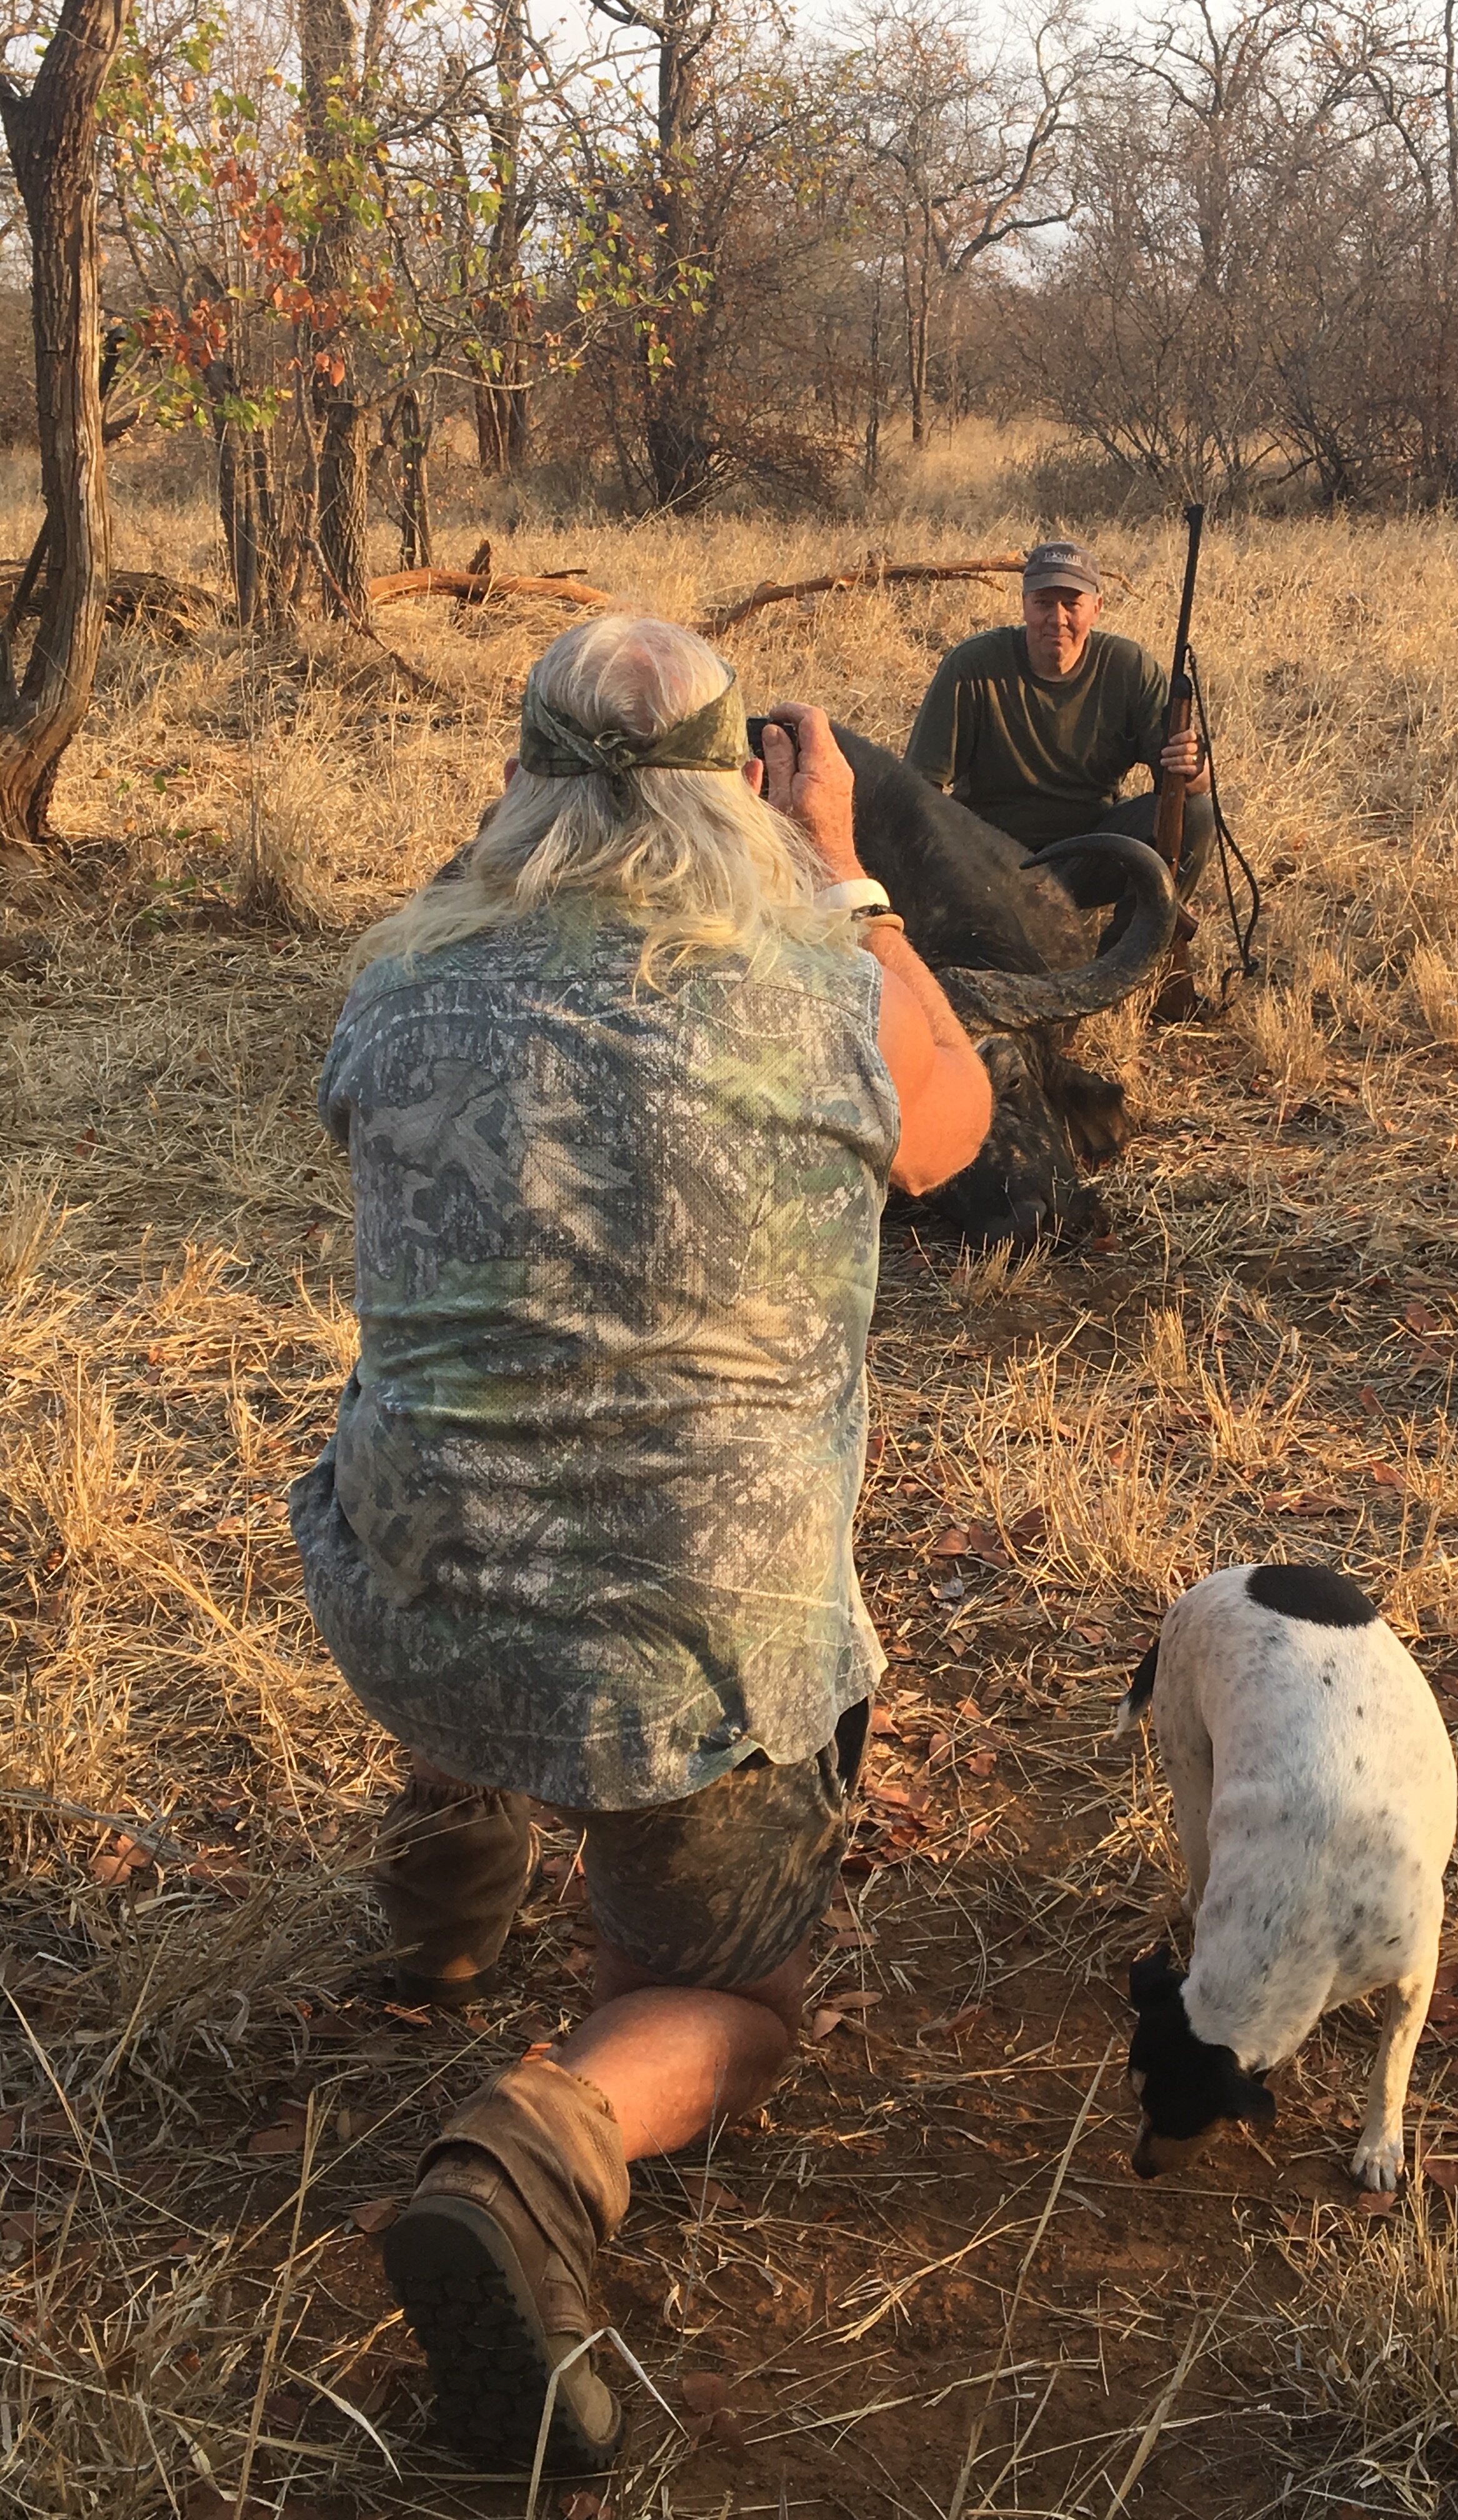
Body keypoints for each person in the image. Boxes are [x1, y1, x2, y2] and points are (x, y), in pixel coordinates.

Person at [288, 615, 991, 2474]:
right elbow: (962, 1126)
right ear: (733, 786)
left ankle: (434, 1915)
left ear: (516, 784)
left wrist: (526, 831)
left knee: (490, 1454)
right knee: (744, 1998)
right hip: (685, 1651)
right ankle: (534, 2161)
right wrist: (840, 864)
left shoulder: (396, 989)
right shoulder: (815, 985)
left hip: (407, 1595)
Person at [903, 538, 1215, 913]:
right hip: (990, 859)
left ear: (1096, 609)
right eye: (1044, 603)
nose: (1058, 619)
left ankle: (1131, 948)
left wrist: (1193, 767)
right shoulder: (972, 666)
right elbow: (918, 788)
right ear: (1024, 605)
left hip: (1092, 850)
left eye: (1072, 604)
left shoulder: (1130, 668)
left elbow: (1186, 785)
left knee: (1197, 813)